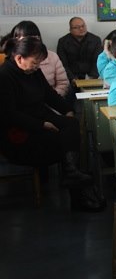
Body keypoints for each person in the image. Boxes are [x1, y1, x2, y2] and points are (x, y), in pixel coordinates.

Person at [0, 37, 101, 212]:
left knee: (71, 124)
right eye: (34, 63)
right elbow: (10, 115)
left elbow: (49, 95)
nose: (37, 66)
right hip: (19, 131)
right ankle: (77, 192)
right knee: (63, 141)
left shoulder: (32, 71)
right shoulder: (4, 76)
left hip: (41, 119)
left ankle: (71, 174)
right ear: (19, 58)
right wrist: (41, 124)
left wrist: (67, 110)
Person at [8, 21, 70, 98]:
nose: (32, 42)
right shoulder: (10, 67)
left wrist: (50, 99)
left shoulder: (49, 59)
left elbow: (62, 83)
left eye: (35, 38)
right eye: (27, 39)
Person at [56, 17, 103, 83]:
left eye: (83, 26)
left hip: (92, 77)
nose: (81, 29)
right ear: (70, 30)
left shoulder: (95, 40)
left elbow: (98, 61)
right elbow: (63, 64)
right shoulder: (63, 42)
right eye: (77, 27)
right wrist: (72, 78)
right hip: (71, 78)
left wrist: (92, 77)